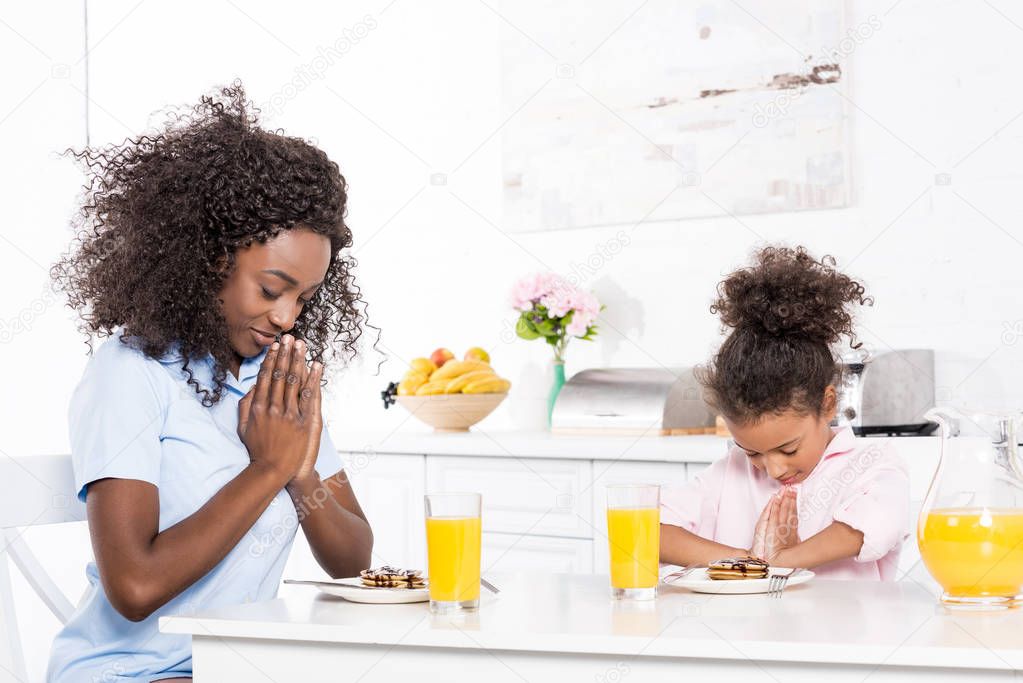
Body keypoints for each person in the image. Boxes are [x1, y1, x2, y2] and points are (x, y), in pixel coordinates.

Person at [46, 83, 374, 681]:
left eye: (304, 297)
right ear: (207, 258)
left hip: (236, 669)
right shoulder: (132, 373)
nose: (286, 317)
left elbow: (353, 562)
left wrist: (299, 471)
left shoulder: (275, 384)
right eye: (272, 290)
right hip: (132, 674)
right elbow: (135, 587)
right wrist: (267, 469)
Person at [659, 246, 910, 579]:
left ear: (827, 404)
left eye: (788, 448)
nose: (774, 468)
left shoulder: (872, 465)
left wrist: (783, 559)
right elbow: (649, 532)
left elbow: (871, 526)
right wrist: (746, 561)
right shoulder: (729, 474)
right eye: (752, 453)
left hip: (846, 632)